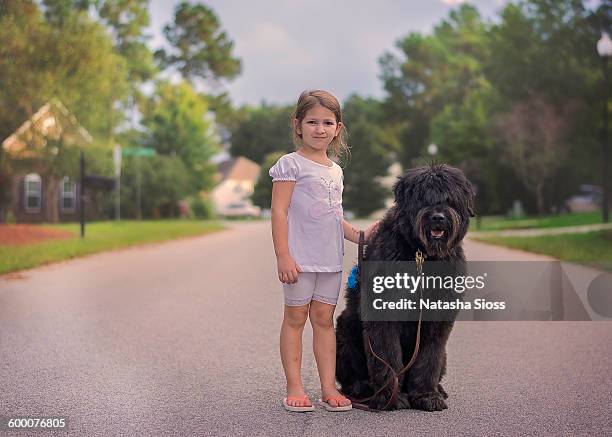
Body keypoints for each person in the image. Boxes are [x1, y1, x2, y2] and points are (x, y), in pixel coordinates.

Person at [269, 89, 379, 412]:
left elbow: (334, 216)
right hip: (299, 261)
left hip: (329, 260)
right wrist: (283, 255)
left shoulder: (335, 170)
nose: (320, 129)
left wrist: (358, 235)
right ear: (298, 125)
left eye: (327, 122)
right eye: (312, 121)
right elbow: (279, 212)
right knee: (295, 319)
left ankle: (329, 388)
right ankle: (294, 387)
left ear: (338, 128)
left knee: (323, 320)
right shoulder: (290, 165)